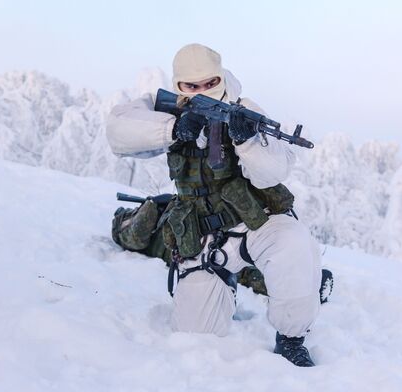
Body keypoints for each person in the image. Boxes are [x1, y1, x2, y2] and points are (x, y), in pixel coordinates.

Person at [106, 43, 322, 367]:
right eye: (192, 86)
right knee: (195, 340)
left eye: (210, 83)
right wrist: (173, 128)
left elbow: (273, 172)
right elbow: (118, 131)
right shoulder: (168, 108)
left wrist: (247, 141)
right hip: (203, 237)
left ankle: (291, 338)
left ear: (220, 78)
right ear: (179, 86)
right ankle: (230, 280)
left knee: (294, 245)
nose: (203, 91)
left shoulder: (243, 107)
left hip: (256, 223)